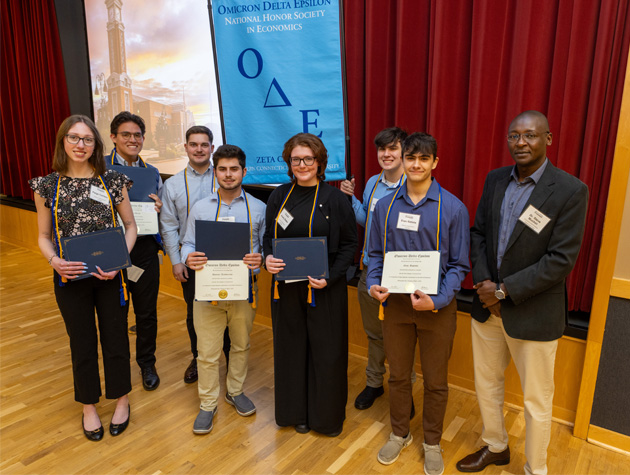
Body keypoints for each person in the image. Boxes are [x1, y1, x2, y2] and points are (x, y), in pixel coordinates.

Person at [456, 111, 588, 475]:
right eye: (514, 136)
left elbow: (560, 260)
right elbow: (479, 232)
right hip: (487, 307)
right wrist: (484, 284)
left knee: (536, 402)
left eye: (530, 136)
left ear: (547, 139)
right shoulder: (496, 179)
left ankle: (536, 469)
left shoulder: (570, 190)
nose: (521, 143)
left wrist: (503, 291)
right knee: (486, 384)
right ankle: (496, 446)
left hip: (533, 313)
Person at [29, 115, 137, 441]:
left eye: (87, 139)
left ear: (96, 144)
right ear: (63, 141)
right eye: (74, 138)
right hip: (70, 278)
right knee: (82, 342)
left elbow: (131, 227)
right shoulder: (47, 186)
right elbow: (43, 235)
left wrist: (120, 261)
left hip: (110, 277)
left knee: (116, 339)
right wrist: (54, 261)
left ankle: (121, 399)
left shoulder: (113, 181)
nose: (80, 145)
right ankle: (88, 405)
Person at [367, 132, 470, 474]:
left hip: (437, 309)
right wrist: (373, 284)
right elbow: (375, 255)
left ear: (434, 163)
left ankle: (432, 442)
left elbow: (459, 266)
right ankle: (400, 433)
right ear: (402, 159)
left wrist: (438, 299)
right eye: (411, 157)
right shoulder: (384, 206)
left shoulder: (453, 208)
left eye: (423, 159)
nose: (415, 164)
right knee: (397, 376)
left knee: (436, 381)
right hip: (395, 307)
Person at [264, 133, 357, 436]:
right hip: (286, 289)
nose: (302, 165)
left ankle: (325, 418)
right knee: (291, 350)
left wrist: (329, 277)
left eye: (308, 159)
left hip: (324, 290)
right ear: (289, 162)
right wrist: (267, 259)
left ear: (319, 162)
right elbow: (269, 238)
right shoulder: (280, 195)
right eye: (296, 159)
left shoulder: (334, 199)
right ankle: (296, 413)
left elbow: (349, 245)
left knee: (326, 353)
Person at [181, 144, 266, 434]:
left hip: (244, 290)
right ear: (215, 172)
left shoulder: (259, 208)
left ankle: (234, 391)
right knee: (206, 352)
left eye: (234, 169)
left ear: (244, 171)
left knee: (241, 345)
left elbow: (266, 249)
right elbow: (188, 243)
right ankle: (207, 405)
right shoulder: (201, 207)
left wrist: (261, 259)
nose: (228, 174)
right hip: (207, 291)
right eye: (222, 169)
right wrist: (187, 257)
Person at [339, 126, 416, 411]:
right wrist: (352, 198)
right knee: (374, 335)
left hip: (401, 277)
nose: (386, 154)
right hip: (370, 271)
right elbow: (366, 221)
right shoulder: (373, 182)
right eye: (382, 149)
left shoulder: (414, 184)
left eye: (392, 149)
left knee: (401, 339)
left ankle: (404, 391)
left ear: (404, 152)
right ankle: (374, 384)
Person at [160, 126, 230, 384]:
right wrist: (176, 261)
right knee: (194, 313)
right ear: (186, 147)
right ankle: (198, 357)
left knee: (229, 310)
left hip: (225, 260)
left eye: (204, 144)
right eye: (193, 144)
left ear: (212, 148)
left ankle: (231, 357)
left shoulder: (226, 177)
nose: (199, 149)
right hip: (191, 262)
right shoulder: (173, 184)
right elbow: (168, 225)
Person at [107, 111, 163, 391]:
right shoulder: (98, 168)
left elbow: (161, 214)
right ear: (113, 137)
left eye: (137, 135)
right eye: (126, 134)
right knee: (115, 313)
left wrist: (159, 209)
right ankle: (117, 367)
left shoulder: (152, 172)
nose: (132, 139)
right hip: (110, 249)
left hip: (143, 250)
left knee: (146, 312)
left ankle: (147, 363)